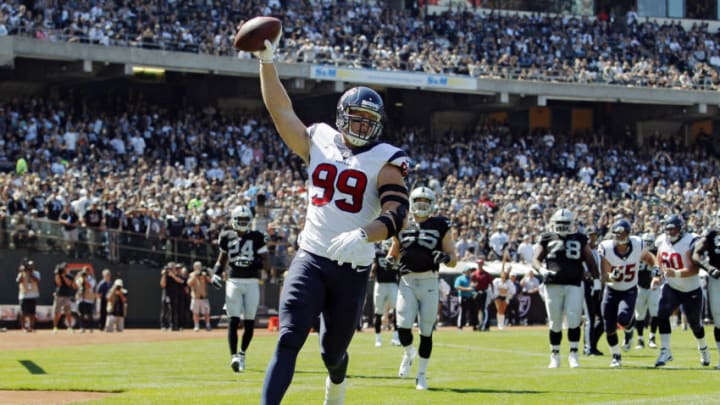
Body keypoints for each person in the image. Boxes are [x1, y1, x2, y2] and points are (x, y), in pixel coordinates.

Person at [254, 33, 410, 405]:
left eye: (366, 121)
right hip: (310, 256)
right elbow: (281, 112)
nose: (359, 127)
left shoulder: (387, 159)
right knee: (289, 336)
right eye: (354, 119)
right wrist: (266, 62)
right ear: (342, 117)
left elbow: (398, 213)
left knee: (331, 352)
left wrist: (364, 234)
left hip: (352, 267)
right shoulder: (320, 138)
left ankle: (336, 381)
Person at [388, 186, 457, 391]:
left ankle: (421, 375)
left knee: (426, 331)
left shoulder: (440, 224)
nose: (421, 205)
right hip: (407, 281)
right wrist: (390, 260)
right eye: (418, 201)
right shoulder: (402, 224)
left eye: (425, 202)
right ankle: (409, 353)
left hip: (429, 281)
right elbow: (394, 252)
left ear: (432, 204)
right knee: (402, 328)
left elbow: (453, 258)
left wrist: (445, 258)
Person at [532, 208, 599, 368]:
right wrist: (541, 270)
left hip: (574, 284)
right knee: (554, 322)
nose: (562, 226)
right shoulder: (547, 237)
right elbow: (535, 258)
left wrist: (596, 280)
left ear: (571, 224)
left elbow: (590, 260)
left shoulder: (580, 238)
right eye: (559, 223)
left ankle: (573, 354)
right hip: (552, 284)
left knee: (574, 319)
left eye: (565, 223)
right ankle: (554, 355)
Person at [211, 205, 270, 372]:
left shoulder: (257, 237)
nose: (243, 223)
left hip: (252, 282)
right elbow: (221, 259)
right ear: (233, 220)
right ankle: (234, 357)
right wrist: (216, 273)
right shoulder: (226, 236)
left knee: (250, 321)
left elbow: (267, 264)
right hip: (233, 281)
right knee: (233, 320)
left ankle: (242, 354)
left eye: (245, 220)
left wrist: (253, 262)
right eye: (240, 219)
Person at [598, 219, 657, 367]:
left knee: (623, 318)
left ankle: (629, 329)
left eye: (622, 233)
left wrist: (657, 273)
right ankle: (616, 355)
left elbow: (651, 259)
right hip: (612, 290)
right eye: (617, 233)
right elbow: (604, 275)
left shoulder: (638, 244)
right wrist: (611, 276)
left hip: (629, 289)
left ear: (628, 234)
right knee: (609, 327)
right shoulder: (606, 248)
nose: (619, 236)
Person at [654, 214, 709, 367]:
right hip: (672, 286)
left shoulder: (691, 241)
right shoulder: (662, 241)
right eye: (668, 229)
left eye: (674, 229)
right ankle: (665, 351)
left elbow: (694, 270)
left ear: (681, 229)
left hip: (691, 289)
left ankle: (703, 348)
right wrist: (657, 277)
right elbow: (658, 261)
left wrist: (675, 272)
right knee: (662, 313)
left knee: (695, 325)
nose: (670, 232)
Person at [691, 212, 720, 369]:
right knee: (719, 320)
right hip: (717, 279)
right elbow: (696, 254)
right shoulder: (711, 234)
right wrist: (709, 267)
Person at [371, 240, 400, 347]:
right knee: (378, 312)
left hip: (392, 284)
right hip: (380, 284)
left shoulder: (397, 254)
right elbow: (374, 268)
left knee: (397, 311)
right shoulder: (378, 253)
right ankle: (378, 339)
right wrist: (372, 271)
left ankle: (396, 337)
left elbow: (399, 270)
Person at [635, 232, 661, 349]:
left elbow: (659, 269)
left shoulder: (657, 253)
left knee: (655, 312)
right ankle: (640, 339)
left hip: (653, 286)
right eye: (646, 242)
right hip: (639, 286)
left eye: (649, 242)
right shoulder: (636, 253)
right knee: (639, 314)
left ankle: (652, 337)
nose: (648, 245)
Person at [582, 226, 604, 356]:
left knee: (604, 318)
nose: (593, 237)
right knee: (590, 317)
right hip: (588, 286)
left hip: (599, 286)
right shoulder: (583, 251)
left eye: (595, 235)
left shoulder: (597, 251)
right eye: (591, 235)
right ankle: (588, 347)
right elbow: (583, 270)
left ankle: (593, 344)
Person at [16, 259, 40, 332]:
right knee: (23, 312)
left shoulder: (36, 273)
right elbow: (18, 281)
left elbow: (37, 280)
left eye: (31, 266)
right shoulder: (22, 273)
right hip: (24, 295)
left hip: (33, 295)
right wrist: (22, 272)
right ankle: (23, 327)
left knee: (32, 313)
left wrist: (31, 273)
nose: (30, 267)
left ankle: (31, 327)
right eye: (29, 266)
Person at [187, 261, 212, 332]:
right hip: (195, 297)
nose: (198, 268)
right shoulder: (191, 274)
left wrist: (206, 275)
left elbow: (210, 281)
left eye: (199, 267)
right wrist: (195, 276)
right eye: (196, 267)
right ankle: (196, 326)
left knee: (206, 313)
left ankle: (207, 325)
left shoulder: (204, 274)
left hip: (204, 297)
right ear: (194, 267)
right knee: (195, 313)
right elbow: (189, 283)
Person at [52, 262, 76, 333]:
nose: (65, 269)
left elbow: (69, 284)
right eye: (64, 268)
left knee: (68, 312)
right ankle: (55, 327)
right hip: (59, 295)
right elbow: (58, 284)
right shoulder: (58, 275)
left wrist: (64, 276)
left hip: (67, 296)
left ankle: (69, 327)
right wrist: (57, 275)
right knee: (57, 312)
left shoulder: (70, 276)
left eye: (66, 267)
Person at [472, 258, 493, 331]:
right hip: (477, 293)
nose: (479, 265)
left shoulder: (486, 274)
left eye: (481, 264)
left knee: (485, 309)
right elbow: (471, 283)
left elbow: (491, 284)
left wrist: (491, 294)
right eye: (478, 264)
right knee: (477, 309)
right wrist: (474, 289)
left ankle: (485, 325)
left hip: (485, 293)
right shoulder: (474, 274)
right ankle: (478, 324)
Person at [75, 267, 96, 333]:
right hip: (81, 298)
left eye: (87, 271)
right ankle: (82, 327)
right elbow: (76, 286)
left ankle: (91, 328)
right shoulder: (79, 279)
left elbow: (89, 286)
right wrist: (78, 276)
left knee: (89, 314)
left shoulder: (92, 279)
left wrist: (85, 280)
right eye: (84, 271)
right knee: (81, 314)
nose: (85, 273)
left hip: (88, 298)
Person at [454, 266, 476, 330]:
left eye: (469, 271)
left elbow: (474, 287)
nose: (469, 272)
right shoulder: (460, 278)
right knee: (462, 312)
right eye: (467, 271)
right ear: (464, 272)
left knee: (473, 312)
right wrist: (467, 289)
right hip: (463, 297)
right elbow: (457, 287)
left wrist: (474, 292)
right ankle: (460, 326)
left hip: (471, 297)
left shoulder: (472, 278)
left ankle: (474, 325)